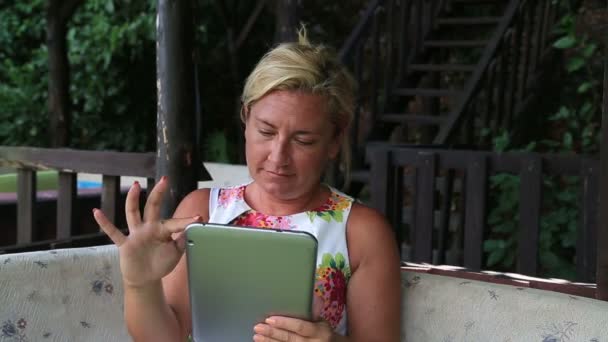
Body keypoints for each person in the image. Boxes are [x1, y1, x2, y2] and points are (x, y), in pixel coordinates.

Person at [93, 29, 401, 342]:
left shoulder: (361, 232)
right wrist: (140, 284)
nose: (278, 157)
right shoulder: (202, 212)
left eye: (303, 140)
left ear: (335, 140)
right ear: (246, 118)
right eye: (266, 132)